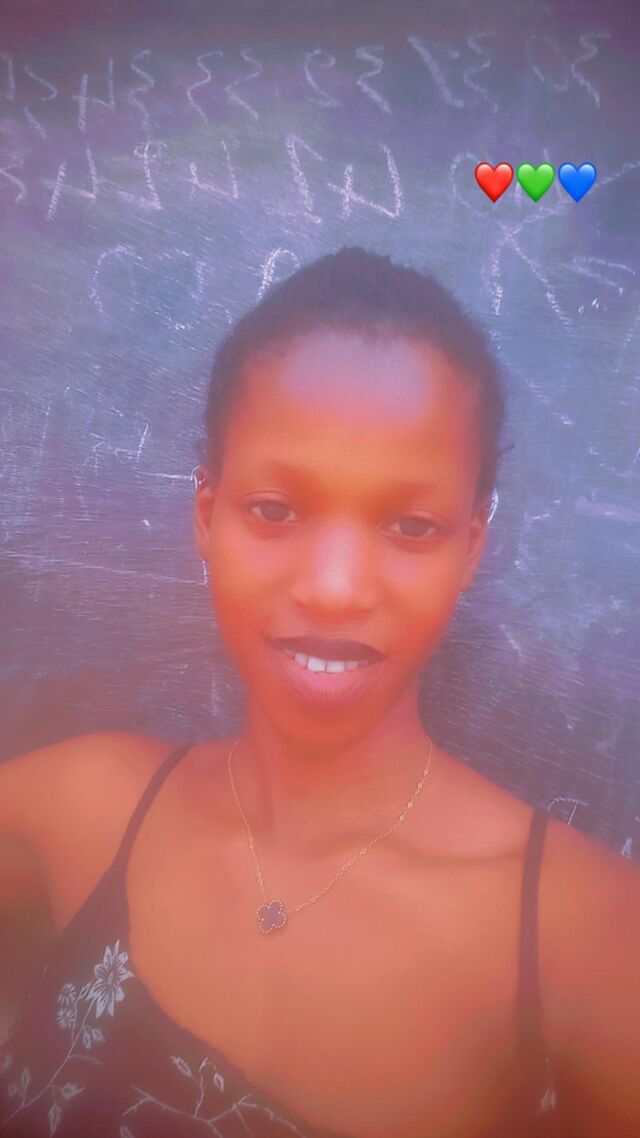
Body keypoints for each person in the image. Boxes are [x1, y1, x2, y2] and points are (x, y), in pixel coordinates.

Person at [1, 246, 639, 1138]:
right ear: (206, 516)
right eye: (274, 510)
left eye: (411, 525)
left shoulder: (591, 946)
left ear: (471, 549)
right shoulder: (78, 811)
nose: (335, 588)